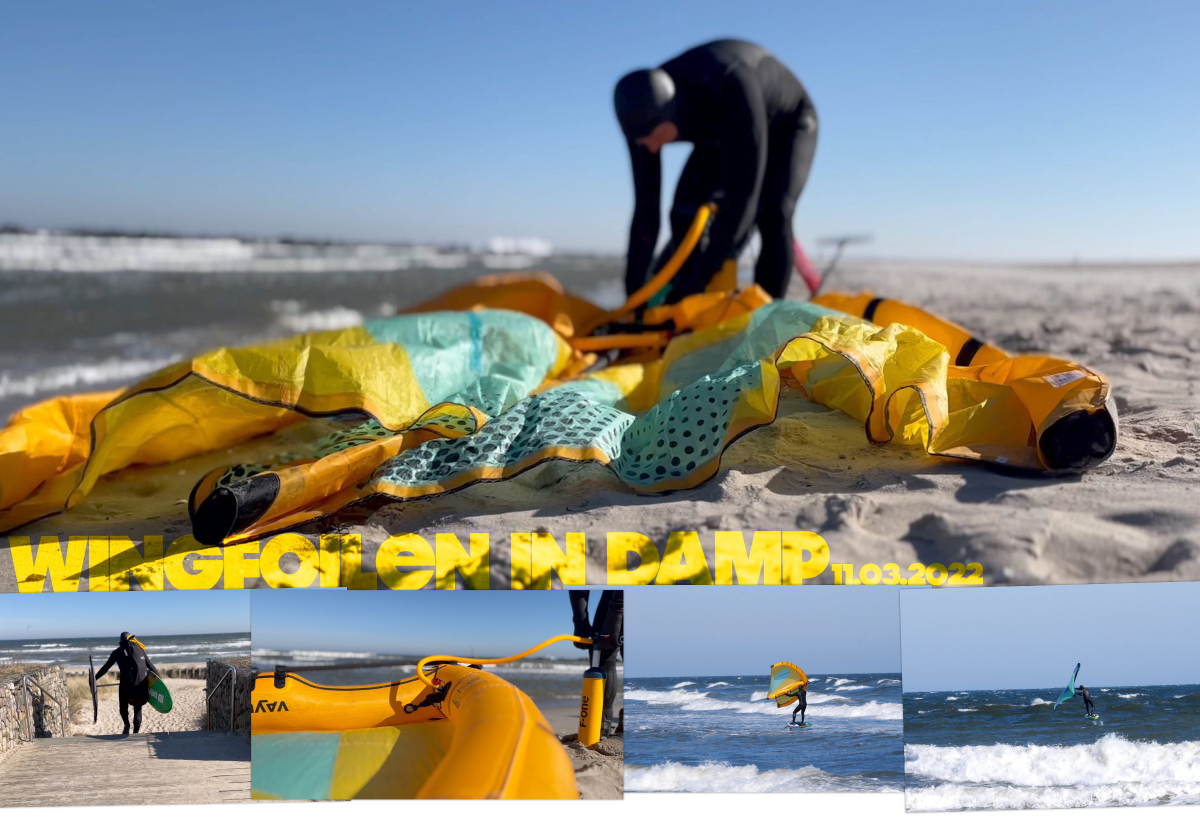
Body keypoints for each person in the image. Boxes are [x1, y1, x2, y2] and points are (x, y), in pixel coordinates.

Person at [614, 39, 818, 306]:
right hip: (721, 130)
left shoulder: (730, 84)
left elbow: (744, 197)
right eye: (641, 142)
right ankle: (681, 307)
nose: (650, 147)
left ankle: (767, 320)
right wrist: (633, 295)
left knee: (773, 212)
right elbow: (645, 211)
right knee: (684, 209)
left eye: (654, 137)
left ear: (670, 115)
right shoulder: (640, 119)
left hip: (787, 123)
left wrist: (698, 278)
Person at [569, 590, 623, 737]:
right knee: (602, 654)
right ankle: (599, 728)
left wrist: (615, 616)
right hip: (613, 592)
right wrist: (580, 621)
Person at [94, 632, 159, 735]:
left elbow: (106, 668)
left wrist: (94, 678)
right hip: (141, 685)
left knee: (123, 707)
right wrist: (159, 681)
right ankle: (136, 733)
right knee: (137, 709)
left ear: (120, 642)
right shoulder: (140, 649)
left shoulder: (117, 652)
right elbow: (151, 667)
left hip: (126, 684)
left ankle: (126, 725)